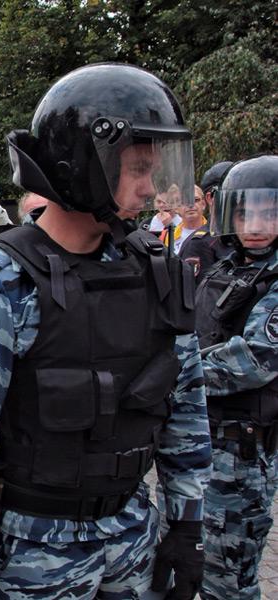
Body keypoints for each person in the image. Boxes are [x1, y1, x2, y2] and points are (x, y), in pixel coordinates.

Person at [0, 63, 211, 600]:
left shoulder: (156, 272)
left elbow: (186, 407)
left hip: (133, 537)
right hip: (36, 548)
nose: (152, 188)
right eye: (138, 169)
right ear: (85, 164)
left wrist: (189, 526)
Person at [194, 155, 278, 600]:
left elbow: (254, 360)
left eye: (270, 212)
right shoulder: (227, 269)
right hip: (202, 444)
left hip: (242, 455)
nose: (256, 224)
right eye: (245, 212)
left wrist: (173, 374)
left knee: (230, 578)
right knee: (198, 564)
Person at [180, 161, 233, 282]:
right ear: (210, 198)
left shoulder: (243, 237)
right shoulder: (201, 243)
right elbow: (197, 296)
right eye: (230, 193)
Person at [164, 185, 207, 254]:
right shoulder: (168, 236)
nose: (190, 205)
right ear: (176, 208)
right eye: (184, 201)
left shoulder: (215, 233)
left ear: (203, 204)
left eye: (195, 200)